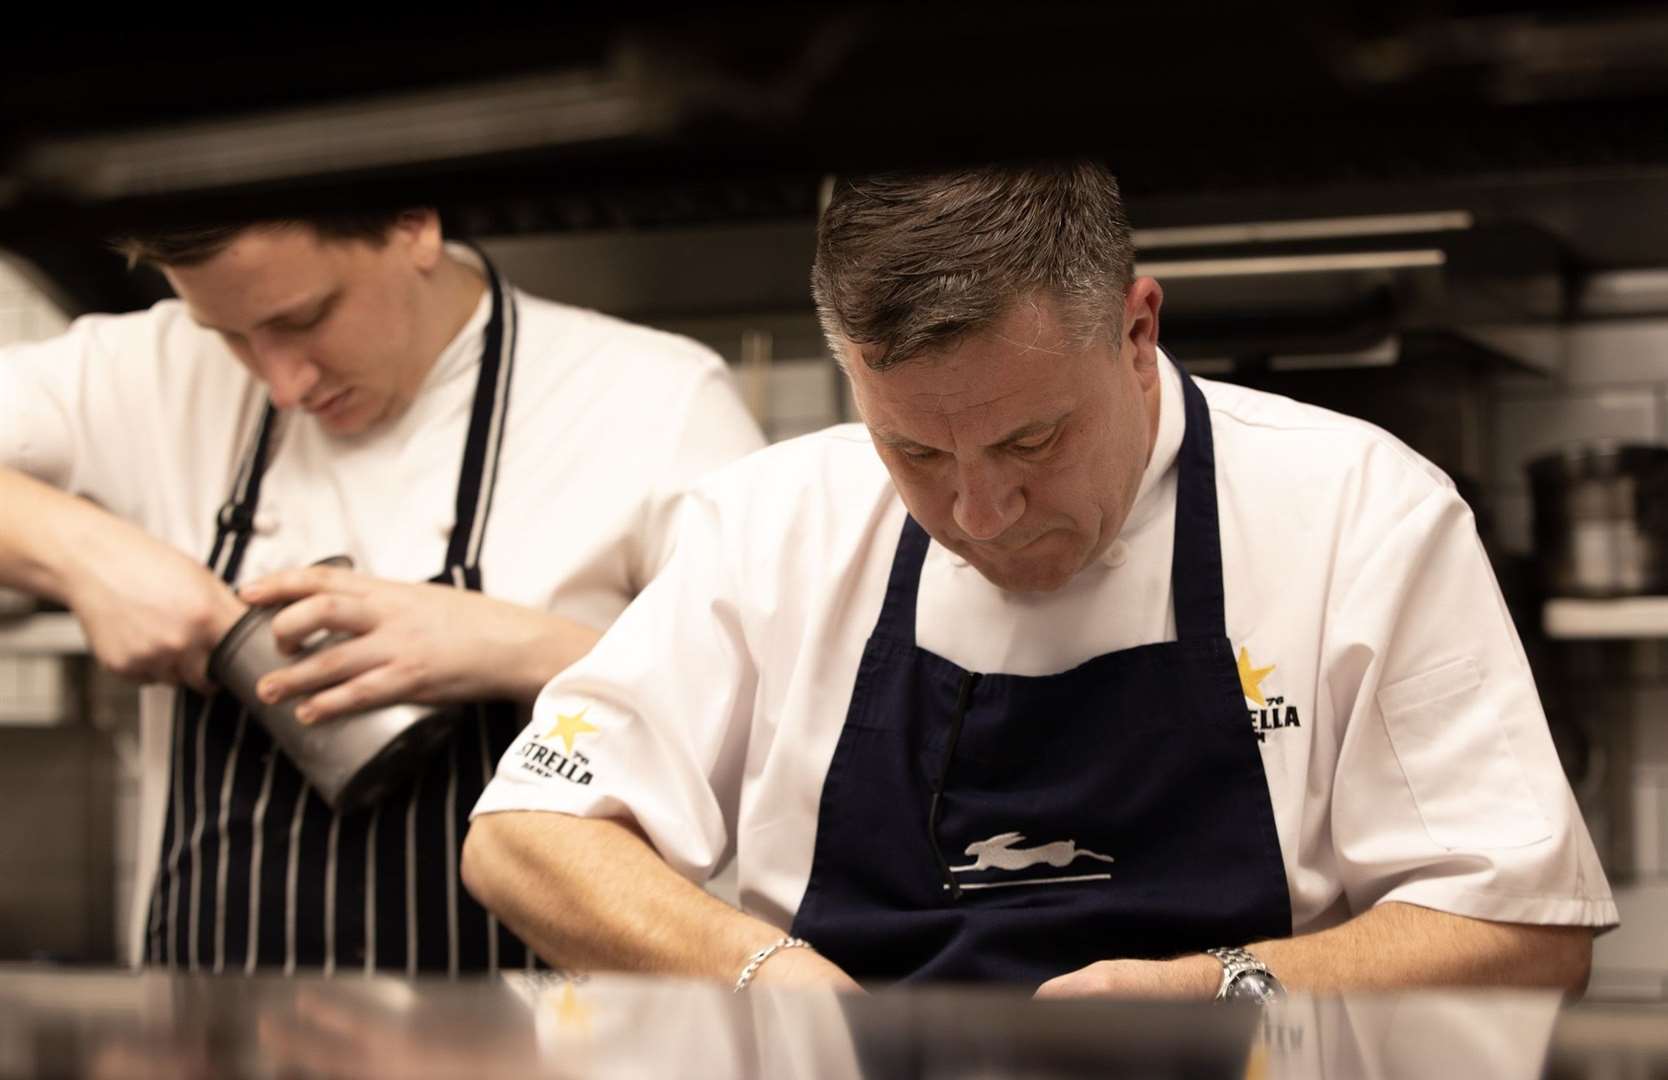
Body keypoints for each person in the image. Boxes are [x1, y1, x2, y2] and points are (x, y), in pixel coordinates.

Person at [463, 162, 1617, 996]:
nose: (977, 512)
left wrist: (1220, 995)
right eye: (914, 452)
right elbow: (525, 834)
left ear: (1136, 330)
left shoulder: (1362, 511)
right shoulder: (774, 520)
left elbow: (1528, 927)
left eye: (1029, 444)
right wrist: (764, 977)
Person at [0, 208, 765, 974]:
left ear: (413, 226)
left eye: (304, 317)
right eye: (229, 336)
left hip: (537, 1050)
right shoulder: (149, 373)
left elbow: (776, 722)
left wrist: (525, 649)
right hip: (213, 1039)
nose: (283, 382)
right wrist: (83, 554)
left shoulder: (654, 400)